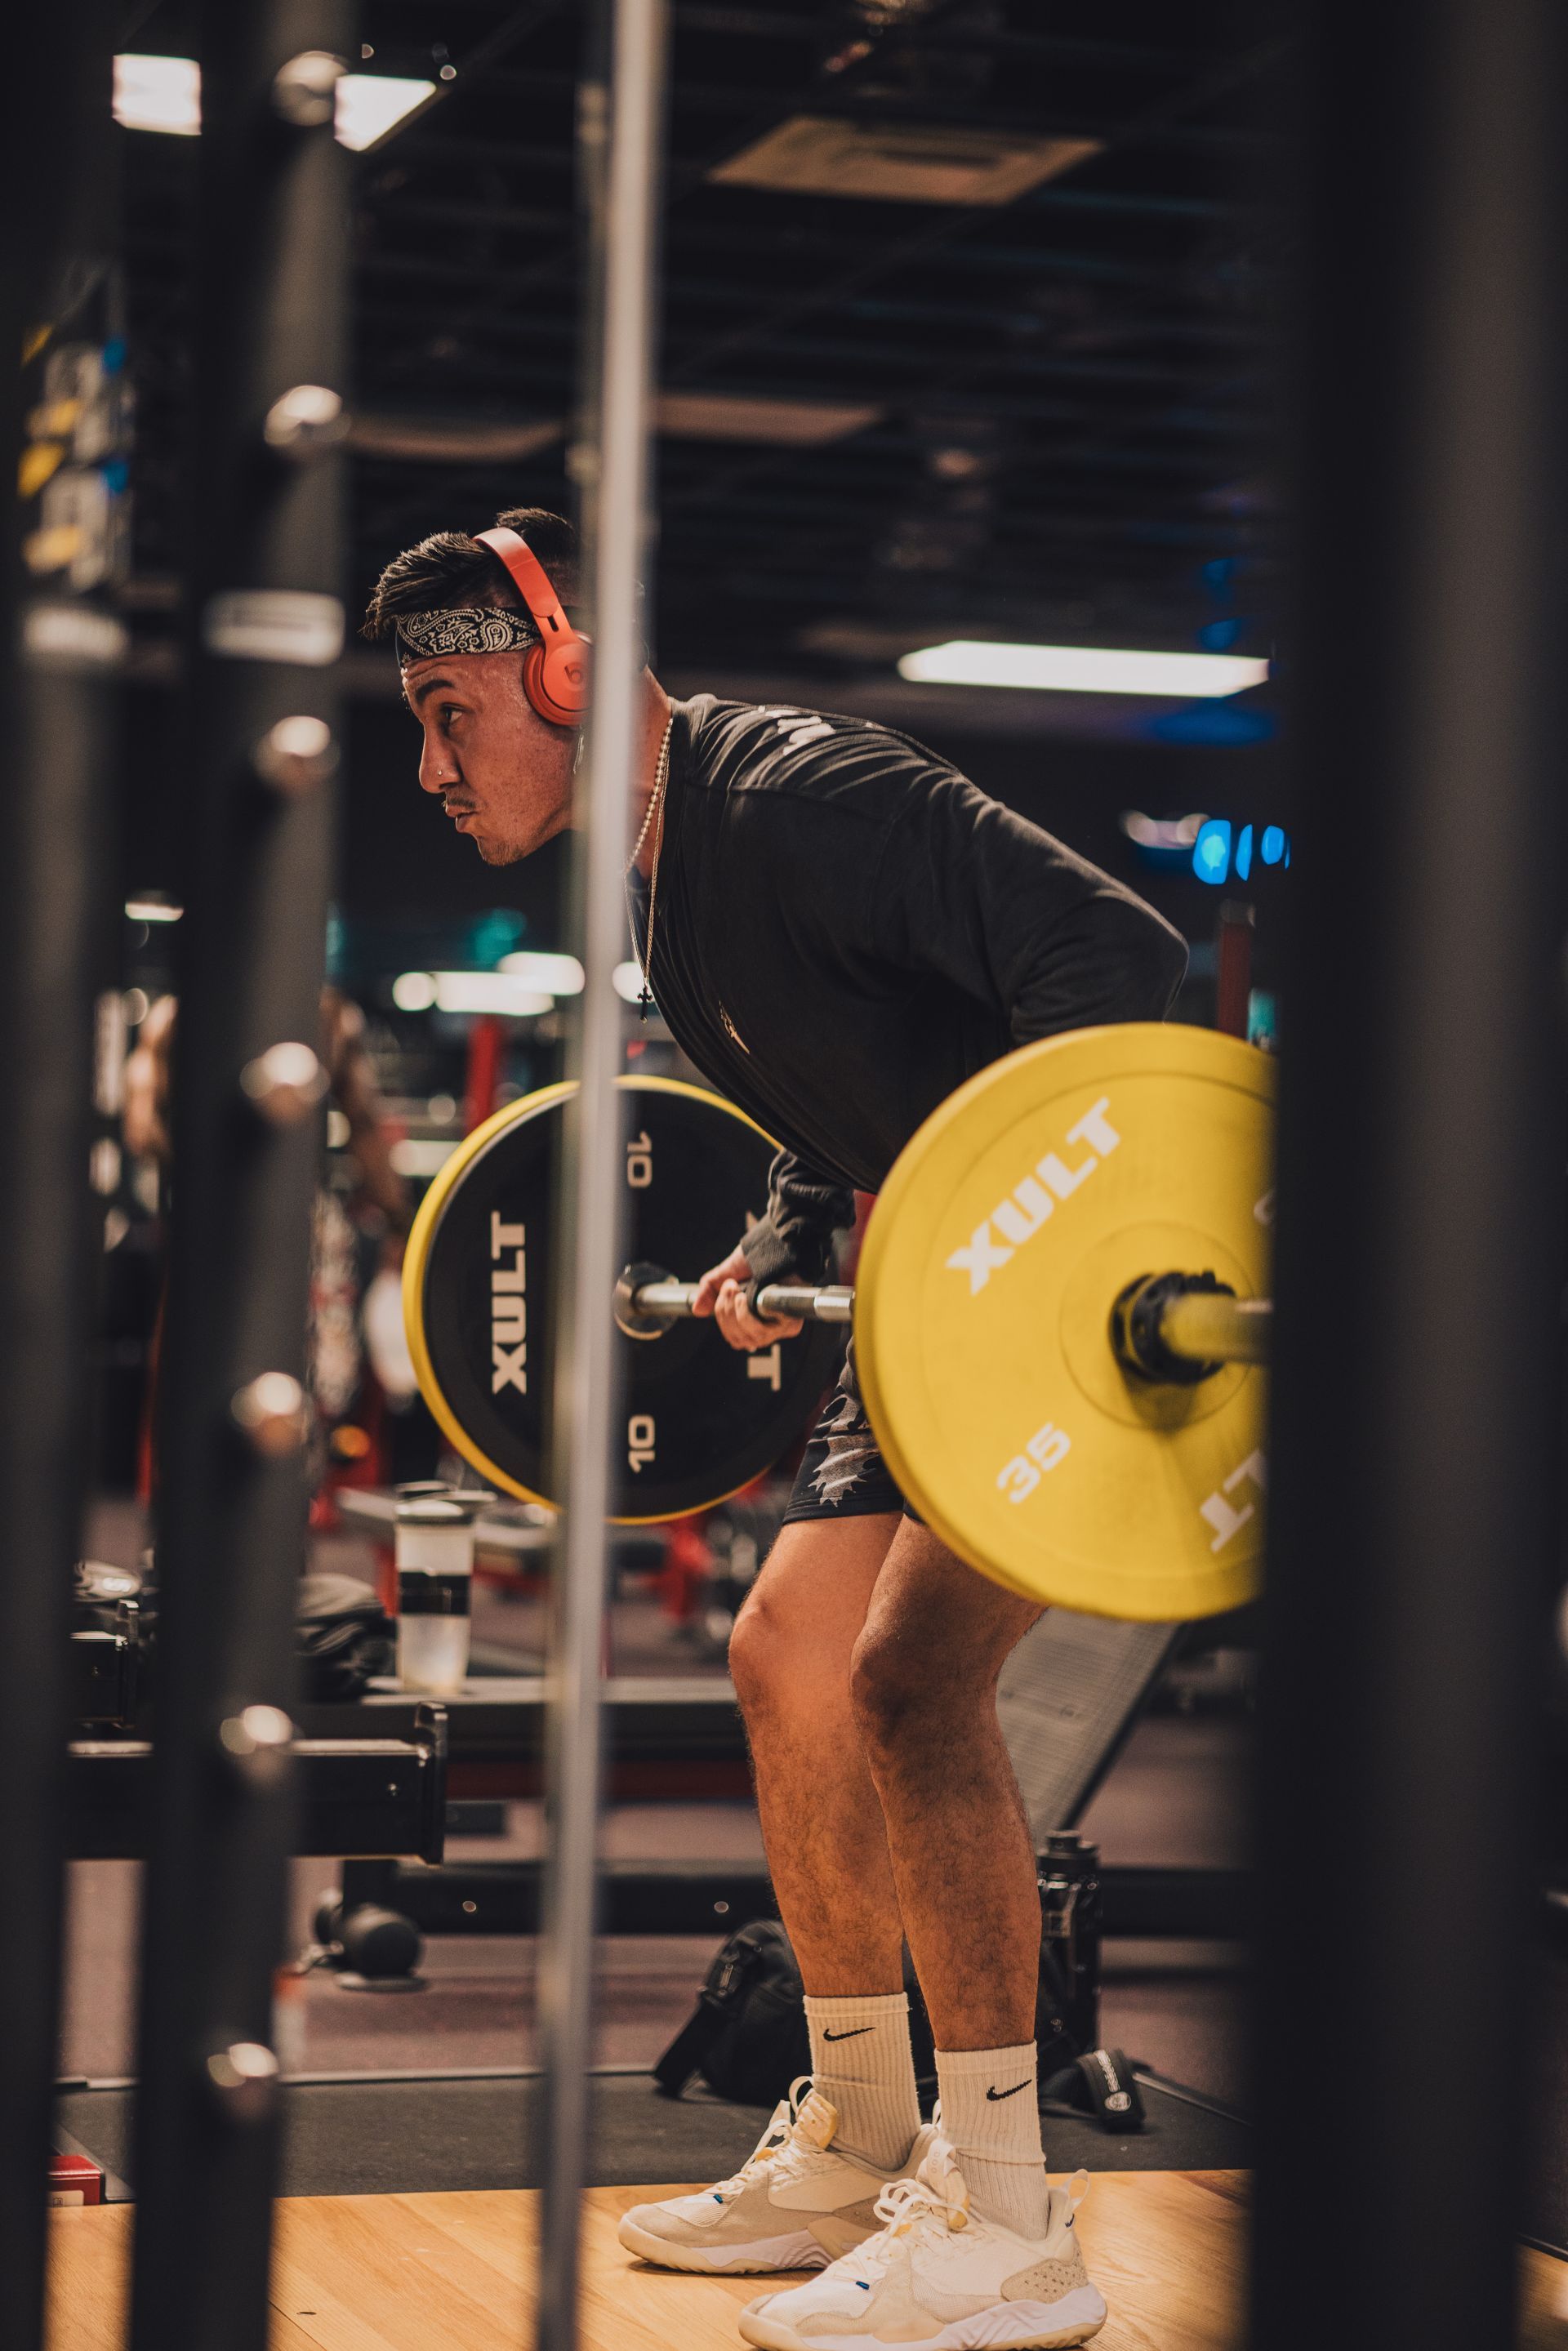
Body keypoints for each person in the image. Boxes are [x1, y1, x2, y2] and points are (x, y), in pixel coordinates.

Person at [363, 508, 1187, 2351]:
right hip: (940, 1306)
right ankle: (859, 2130)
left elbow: (1120, 960)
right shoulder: (663, 878)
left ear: (564, 667)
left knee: (905, 1683)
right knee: (784, 1660)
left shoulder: (807, 790)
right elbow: (855, 1075)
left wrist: (979, 1206)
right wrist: (788, 1233)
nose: (428, 767)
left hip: (1062, 1291)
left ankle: (1008, 2211)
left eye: (446, 712)